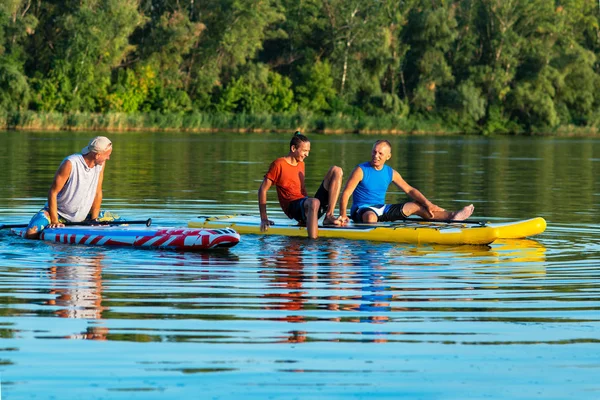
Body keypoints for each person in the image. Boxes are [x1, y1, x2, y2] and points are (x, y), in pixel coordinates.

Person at [339, 139, 474, 224]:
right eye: (374, 152)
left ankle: (452, 216)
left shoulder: (390, 172)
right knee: (370, 217)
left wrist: (428, 203)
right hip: (362, 210)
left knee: (416, 206)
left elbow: (409, 190)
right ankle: (373, 239)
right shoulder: (361, 170)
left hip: (381, 208)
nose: (376, 156)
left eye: (380, 153)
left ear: (388, 156)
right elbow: (345, 194)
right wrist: (343, 215)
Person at [24, 136, 120, 239]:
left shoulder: (100, 164)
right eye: (107, 155)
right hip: (58, 215)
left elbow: (97, 192)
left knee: (120, 222)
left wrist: (94, 220)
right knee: (31, 232)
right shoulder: (70, 163)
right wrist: (55, 221)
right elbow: (53, 192)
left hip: (83, 217)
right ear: (97, 155)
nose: (108, 158)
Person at [258, 132, 344, 239]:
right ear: (293, 148)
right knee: (314, 202)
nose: (307, 154)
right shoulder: (278, 164)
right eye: (304, 151)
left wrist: (309, 211)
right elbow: (262, 189)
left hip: (306, 206)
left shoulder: (301, 163)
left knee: (336, 170)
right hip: (293, 207)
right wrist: (264, 218)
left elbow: (302, 191)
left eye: (308, 151)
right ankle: (312, 245)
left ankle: (329, 216)